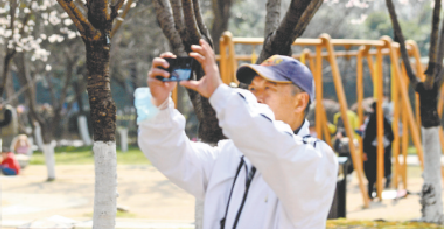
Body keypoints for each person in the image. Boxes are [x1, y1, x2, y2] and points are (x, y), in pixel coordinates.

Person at [138, 40, 337, 229]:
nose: (256, 97)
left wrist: (219, 92)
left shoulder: (316, 159)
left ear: (300, 102)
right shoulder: (232, 154)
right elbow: (172, 156)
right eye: (252, 89)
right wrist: (160, 106)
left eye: (268, 88)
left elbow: (272, 143)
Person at [362, 102, 394, 198]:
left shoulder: (371, 119)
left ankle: (371, 191)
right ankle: (378, 188)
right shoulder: (384, 119)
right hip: (382, 147)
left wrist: (365, 150)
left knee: (372, 170)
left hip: (373, 148)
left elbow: (367, 136)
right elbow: (391, 135)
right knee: (380, 169)